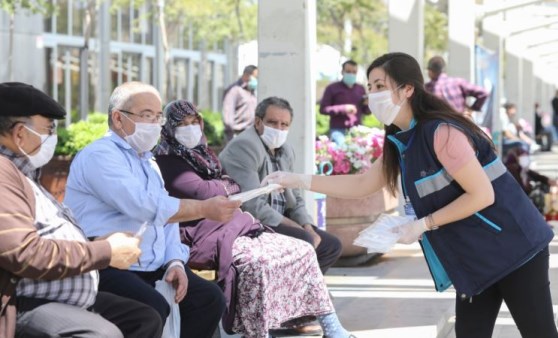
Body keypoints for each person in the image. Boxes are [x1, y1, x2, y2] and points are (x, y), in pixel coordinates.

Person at [264, 52, 558, 338]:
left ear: (407, 89)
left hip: (516, 247)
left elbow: (482, 195)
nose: (372, 94)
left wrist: (423, 224)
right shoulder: (399, 140)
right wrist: (297, 180)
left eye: (380, 86)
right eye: (370, 87)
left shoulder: (441, 132)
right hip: (474, 254)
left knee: (539, 331)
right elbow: (363, 184)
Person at [153, 99, 354, 338]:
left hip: (232, 224)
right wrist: (222, 187)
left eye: (193, 121)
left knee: (305, 249)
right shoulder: (167, 159)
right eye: (182, 123)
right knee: (257, 263)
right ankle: (258, 332)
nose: (189, 128)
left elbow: (232, 187)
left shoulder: (203, 153)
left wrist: (305, 223)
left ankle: (331, 328)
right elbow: (203, 192)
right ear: (169, 128)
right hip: (199, 232)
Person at [64, 81, 242, 338]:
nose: (155, 124)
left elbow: (165, 221)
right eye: (147, 116)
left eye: (158, 116)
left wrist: (175, 262)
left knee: (208, 299)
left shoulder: (148, 161)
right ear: (118, 118)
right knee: (153, 307)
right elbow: (145, 207)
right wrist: (204, 208)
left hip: (153, 264)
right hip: (109, 263)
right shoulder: (100, 155)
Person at [0, 82, 162, 338]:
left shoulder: (25, 173)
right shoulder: (3, 173)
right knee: (102, 334)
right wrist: (103, 251)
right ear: (19, 133)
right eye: (48, 130)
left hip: (62, 292)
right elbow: (22, 252)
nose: (53, 137)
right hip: (21, 302)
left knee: (144, 318)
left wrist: (96, 242)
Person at [219, 96, 343, 275]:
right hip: (255, 222)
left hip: (279, 217)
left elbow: (296, 198)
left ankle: (300, 295)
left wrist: (307, 225)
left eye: (284, 125)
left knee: (330, 246)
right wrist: (298, 229)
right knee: (305, 240)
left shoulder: (286, 150)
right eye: (272, 123)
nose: (279, 129)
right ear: (258, 122)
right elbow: (252, 205)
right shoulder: (244, 146)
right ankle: (295, 294)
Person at [320, 60, 370, 145]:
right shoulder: (332, 88)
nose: (351, 74)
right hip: (338, 130)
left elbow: (366, 111)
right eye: (348, 71)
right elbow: (323, 109)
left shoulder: (360, 89)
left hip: (356, 131)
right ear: (342, 72)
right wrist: (343, 108)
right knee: (341, 150)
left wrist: (368, 104)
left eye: (354, 72)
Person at [222, 65, 258, 142]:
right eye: (255, 77)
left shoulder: (252, 91)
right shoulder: (234, 90)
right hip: (237, 134)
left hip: (250, 134)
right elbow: (228, 114)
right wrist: (231, 137)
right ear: (246, 75)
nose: (256, 80)